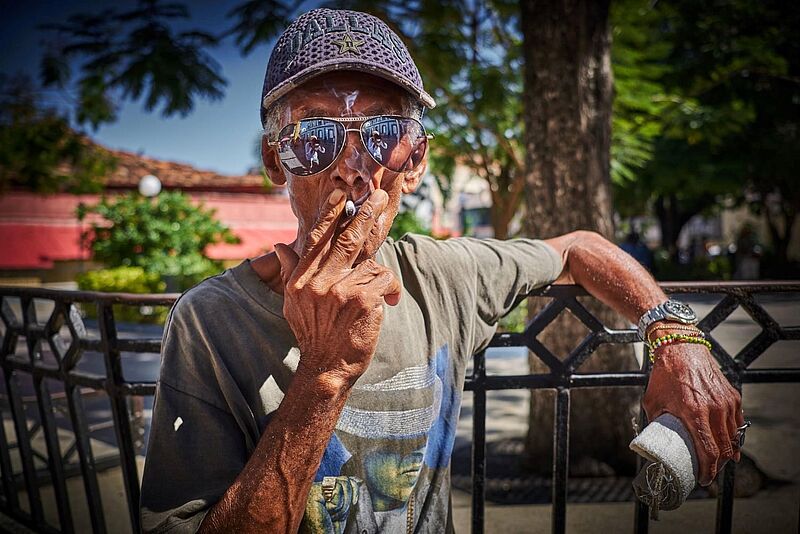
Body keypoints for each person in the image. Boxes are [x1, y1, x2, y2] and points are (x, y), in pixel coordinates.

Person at [140, 8, 744, 533]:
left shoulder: (444, 274)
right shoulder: (210, 321)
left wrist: (678, 340)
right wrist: (325, 373)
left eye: (382, 133)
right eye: (317, 134)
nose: (354, 167)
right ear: (277, 159)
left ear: (416, 161)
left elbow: (577, 247)